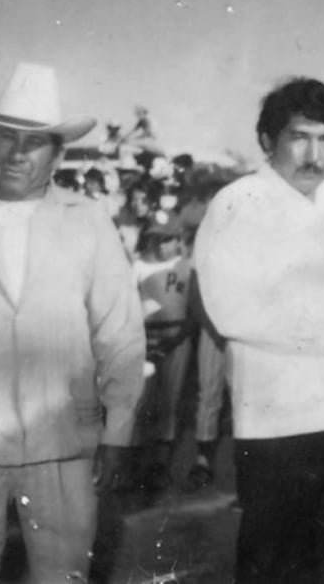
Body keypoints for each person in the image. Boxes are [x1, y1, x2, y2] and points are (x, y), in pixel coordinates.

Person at [0, 62, 145, 582]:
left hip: (64, 444)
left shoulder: (88, 220)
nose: (17, 154)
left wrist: (117, 432)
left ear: (57, 155)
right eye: (6, 137)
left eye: (33, 143)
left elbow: (120, 334)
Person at [194, 77, 324, 583]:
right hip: (278, 425)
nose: (313, 154)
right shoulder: (237, 203)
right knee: (277, 567)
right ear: (267, 140)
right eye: (299, 137)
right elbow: (229, 310)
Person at [131, 211, 195, 495]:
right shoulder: (137, 267)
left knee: (171, 399)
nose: (162, 245)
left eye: (168, 239)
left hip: (176, 338)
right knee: (142, 402)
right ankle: (135, 462)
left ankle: (160, 464)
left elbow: (194, 308)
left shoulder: (187, 266)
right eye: (157, 239)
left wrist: (180, 336)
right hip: (145, 341)